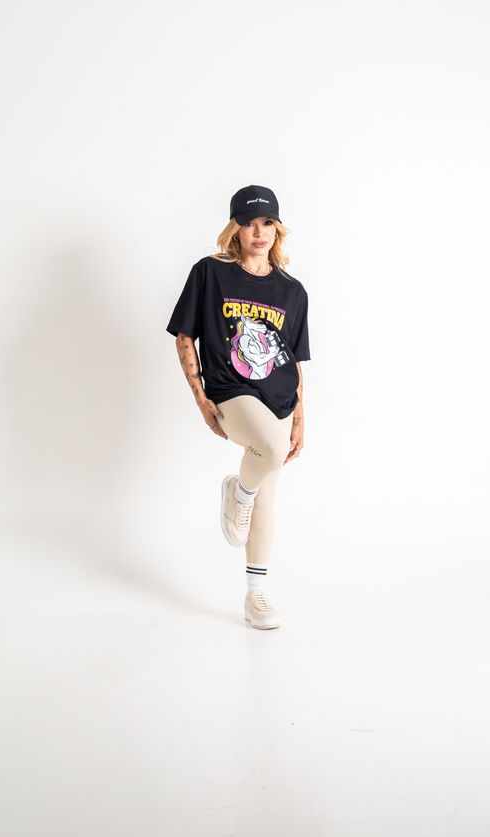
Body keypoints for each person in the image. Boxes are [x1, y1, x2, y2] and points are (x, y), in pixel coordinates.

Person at [166, 185, 311, 630]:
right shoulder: (210, 273)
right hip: (231, 388)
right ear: (235, 228)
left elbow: (294, 358)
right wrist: (200, 397)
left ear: (278, 229)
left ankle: (255, 594)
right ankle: (238, 493)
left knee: (268, 494)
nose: (259, 232)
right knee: (268, 453)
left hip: (281, 397)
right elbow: (185, 335)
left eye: (268, 223)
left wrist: (300, 415)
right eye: (249, 223)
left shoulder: (293, 290)